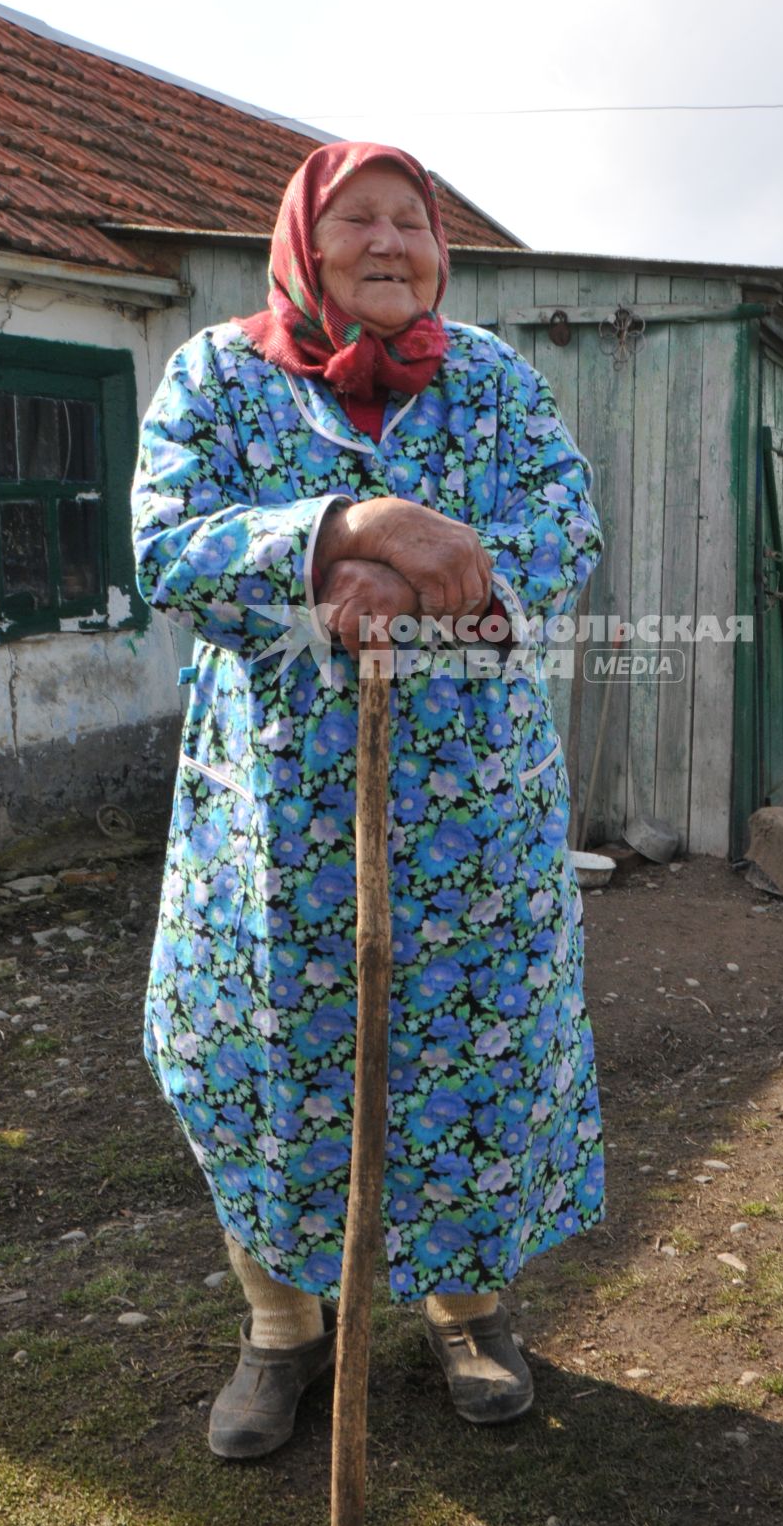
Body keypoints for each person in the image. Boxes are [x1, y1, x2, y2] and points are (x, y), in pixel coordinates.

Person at [132, 140, 604, 1459]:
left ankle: (469, 1311)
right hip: (277, 827)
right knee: (271, 1060)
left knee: (474, 1059)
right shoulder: (218, 378)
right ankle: (281, 1330)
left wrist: (424, 577)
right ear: (303, 241)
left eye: (413, 221)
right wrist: (355, 525)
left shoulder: (494, 381)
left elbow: (565, 525)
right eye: (359, 221)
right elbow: (169, 545)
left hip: (473, 820)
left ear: (441, 253)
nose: (388, 241)